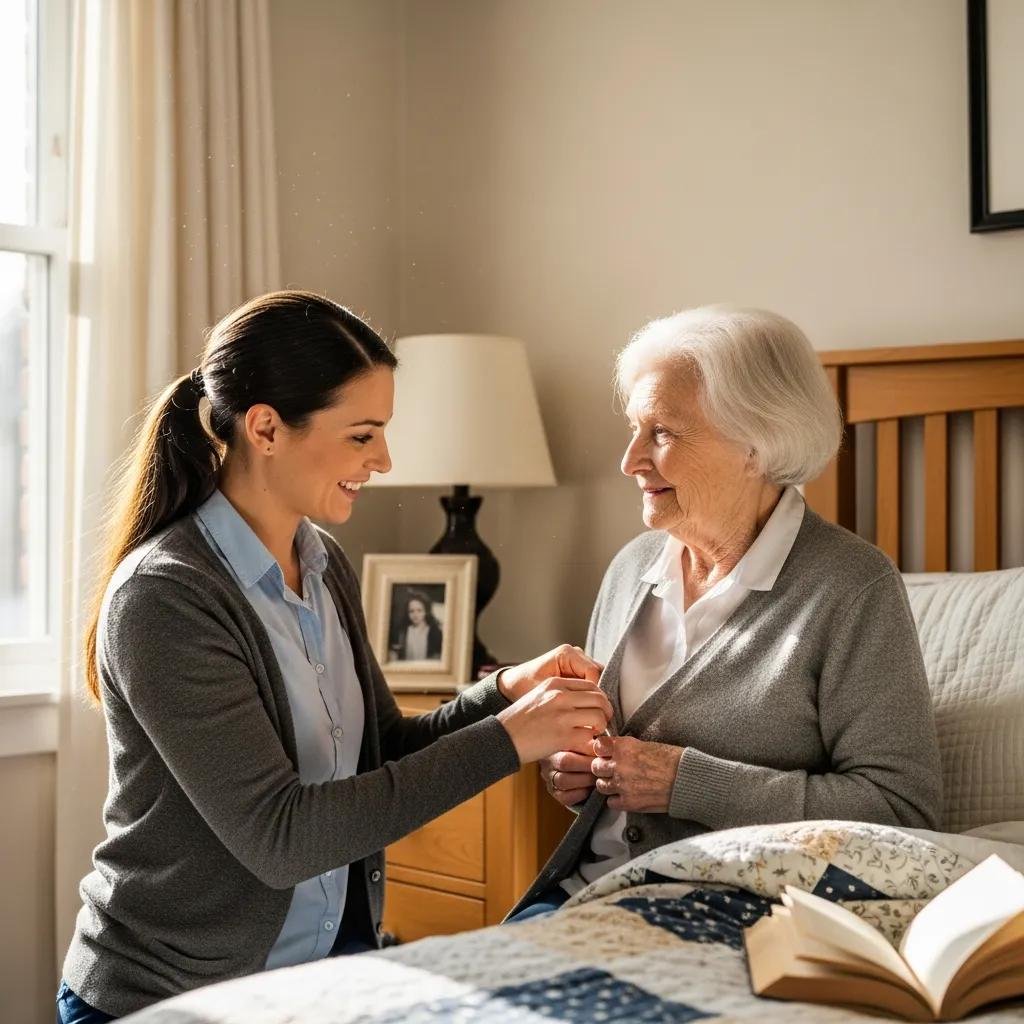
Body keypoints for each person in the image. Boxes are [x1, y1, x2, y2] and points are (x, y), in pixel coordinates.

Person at [56, 291, 612, 1022]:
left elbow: (384, 750)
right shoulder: (167, 597)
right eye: (362, 435)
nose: (383, 459)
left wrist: (507, 689)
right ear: (266, 429)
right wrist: (513, 739)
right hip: (174, 998)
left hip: (320, 983)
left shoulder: (323, 564)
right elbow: (282, 838)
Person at [507, 305, 942, 921]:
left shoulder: (852, 588)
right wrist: (574, 778)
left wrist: (690, 784)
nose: (630, 459)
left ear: (756, 446)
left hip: (745, 911)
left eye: (662, 433)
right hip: (589, 895)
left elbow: (902, 812)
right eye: (635, 428)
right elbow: (613, 781)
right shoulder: (631, 568)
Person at [390, 590, 443, 661]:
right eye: (411, 611)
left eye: (419, 610)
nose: (415, 615)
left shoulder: (435, 633)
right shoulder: (403, 632)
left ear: (426, 611)